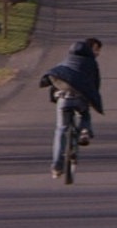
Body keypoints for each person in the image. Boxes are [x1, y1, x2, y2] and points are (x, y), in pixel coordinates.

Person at [40, 38, 104, 179]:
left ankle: (57, 167)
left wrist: (54, 97)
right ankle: (84, 130)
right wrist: (94, 99)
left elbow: (54, 79)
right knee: (84, 113)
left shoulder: (64, 62)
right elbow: (95, 84)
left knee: (60, 130)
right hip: (81, 99)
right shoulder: (91, 64)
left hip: (63, 100)